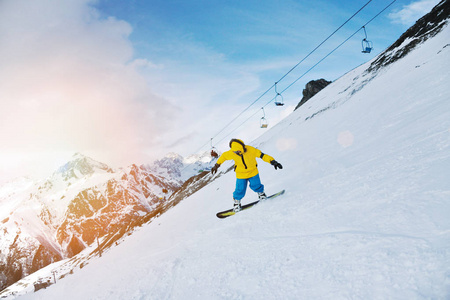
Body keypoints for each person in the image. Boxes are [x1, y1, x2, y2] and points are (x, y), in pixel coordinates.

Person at [211, 138, 283, 212]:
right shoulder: (232, 152)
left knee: (256, 185)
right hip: (241, 174)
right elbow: (223, 157)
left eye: (237, 151)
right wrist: (216, 165)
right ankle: (237, 203)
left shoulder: (251, 150)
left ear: (241, 148)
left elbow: (263, 156)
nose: (236, 152)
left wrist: (273, 161)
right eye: (234, 151)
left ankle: (261, 194)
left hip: (253, 172)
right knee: (240, 189)